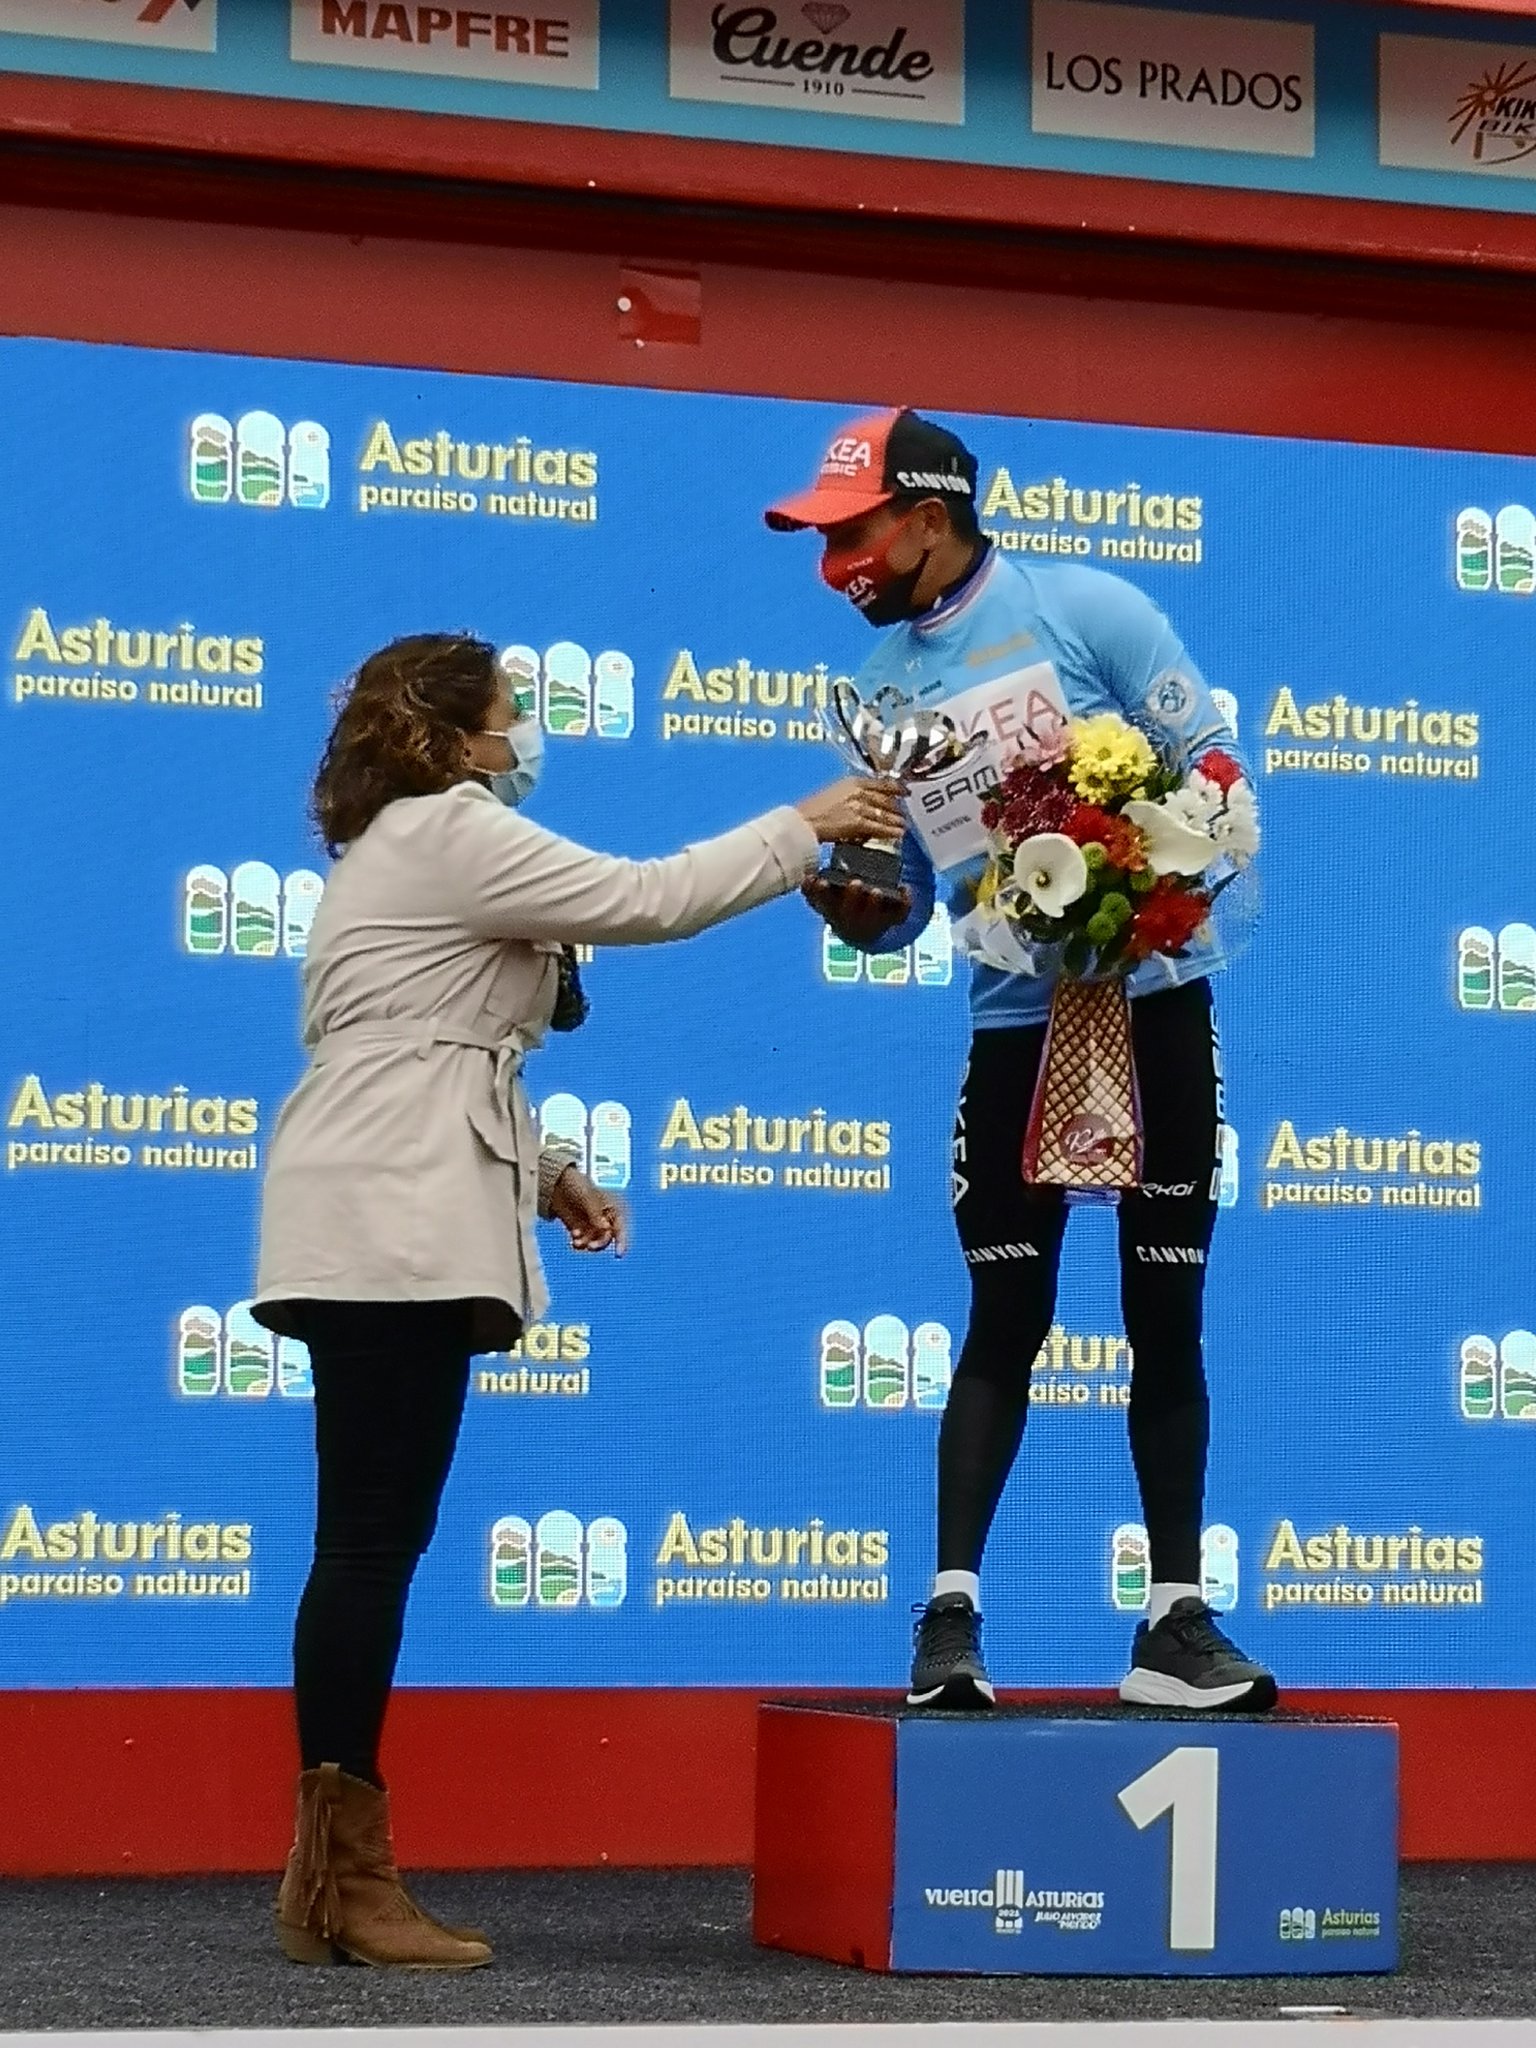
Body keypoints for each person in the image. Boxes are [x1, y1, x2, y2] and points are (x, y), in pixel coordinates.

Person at [252, 632, 903, 1969]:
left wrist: (545, 1171)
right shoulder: (450, 827)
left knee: (371, 1534)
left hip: (386, 1188)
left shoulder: (414, 840)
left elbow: (431, 1042)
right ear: (452, 736)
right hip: (390, 1209)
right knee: (372, 1539)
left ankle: (329, 1881)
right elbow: (650, 897)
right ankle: (344, 1884)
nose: (524, 734)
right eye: (510, 714)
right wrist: (811, 817)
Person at [766, 409, 1276, 1716]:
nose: (838, 565)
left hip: (1157, 1009)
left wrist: (1131, 881)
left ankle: (1173, 1625)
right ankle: (949, 1622)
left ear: (928, 519)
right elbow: (907, 893)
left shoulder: (1090, 607)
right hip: (1013, 1029)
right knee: (1008, 1315)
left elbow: (1219, 781)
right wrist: (867, 914)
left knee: (1167, 1309)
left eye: (852, 533)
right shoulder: (879, 691)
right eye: (824, 542)